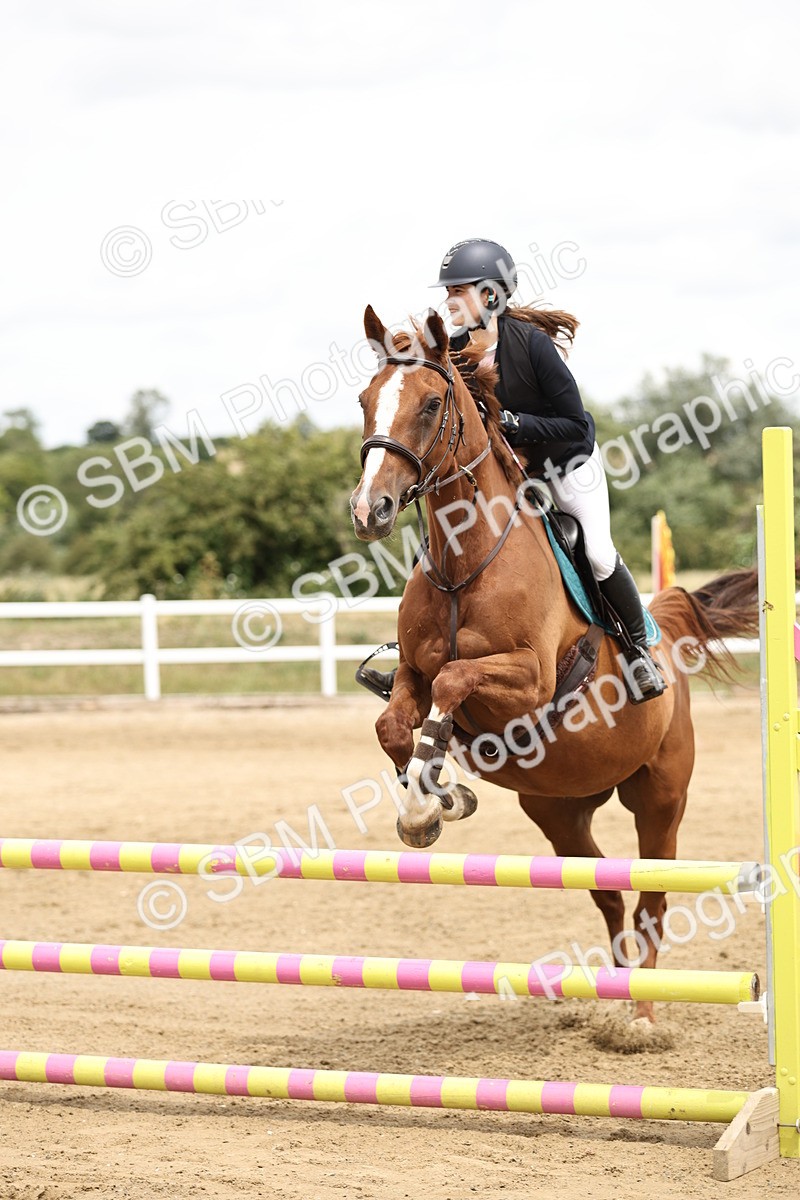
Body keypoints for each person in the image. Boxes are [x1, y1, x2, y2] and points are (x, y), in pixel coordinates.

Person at [360, 238, 666, 705]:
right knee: (439, 546)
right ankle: (412, 659)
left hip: (566, 464)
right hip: (506, 472)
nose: (449, 301)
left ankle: (638, 650)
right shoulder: (450, 353)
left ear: (490, 295)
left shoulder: (532, 346)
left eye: (458, 291)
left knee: (598, 553)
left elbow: (575, 424)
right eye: (448, 293)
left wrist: (514, 423)